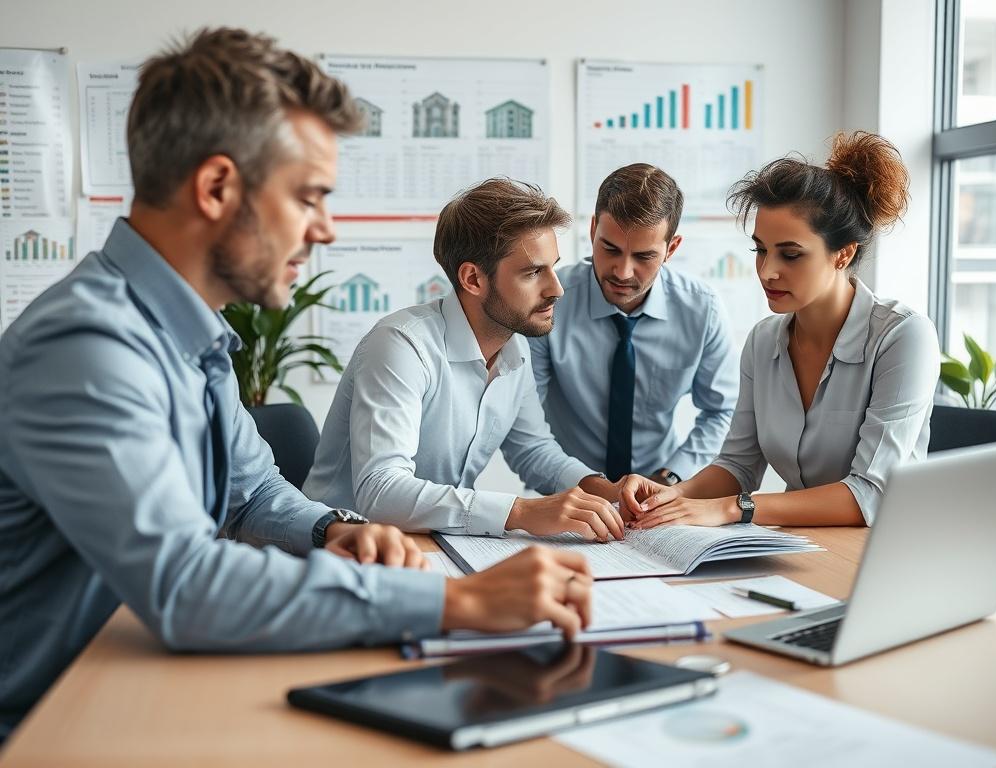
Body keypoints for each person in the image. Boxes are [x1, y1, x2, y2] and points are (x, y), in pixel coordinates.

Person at [0, 28, 592, 743]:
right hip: (53, 719)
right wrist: (454, 602)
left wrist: (332, 530)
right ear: (217, 187)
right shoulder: (89, 346)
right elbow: (184, 587)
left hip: (144, 676)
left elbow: (252, 490)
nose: (327, 229)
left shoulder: (188, 331)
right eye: (309, 197)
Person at [623, 132, 940, 528]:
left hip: (885, 551)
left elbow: (870, 495)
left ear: (843, 253)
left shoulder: (903, 337)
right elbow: (738, 466)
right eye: (760, 249)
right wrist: (673, 496)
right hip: (797, 544)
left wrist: (731, 508)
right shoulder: (763, 341)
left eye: (790, 254)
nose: (767, 271)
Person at [304, 178, 634, 542]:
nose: (556, 288)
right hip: (341, 551)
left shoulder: (515, 347)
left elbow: (534, 450)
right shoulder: (400, 346)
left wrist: (608, 491)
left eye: (553, 267)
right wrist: (520, 511)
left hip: (433, 543)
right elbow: (380, 492)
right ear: (473, 278)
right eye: (533, 272)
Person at [529, 163, 739, 486]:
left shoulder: (702, 310)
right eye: (610, 249)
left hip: (662, 495)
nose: (623, 272)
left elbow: (721, 412)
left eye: (643, 257)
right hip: (570, 495)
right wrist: (591, 488)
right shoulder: (549, 302)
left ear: (672, 248)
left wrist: (670, 478)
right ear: (593, 230)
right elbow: (525, 422)